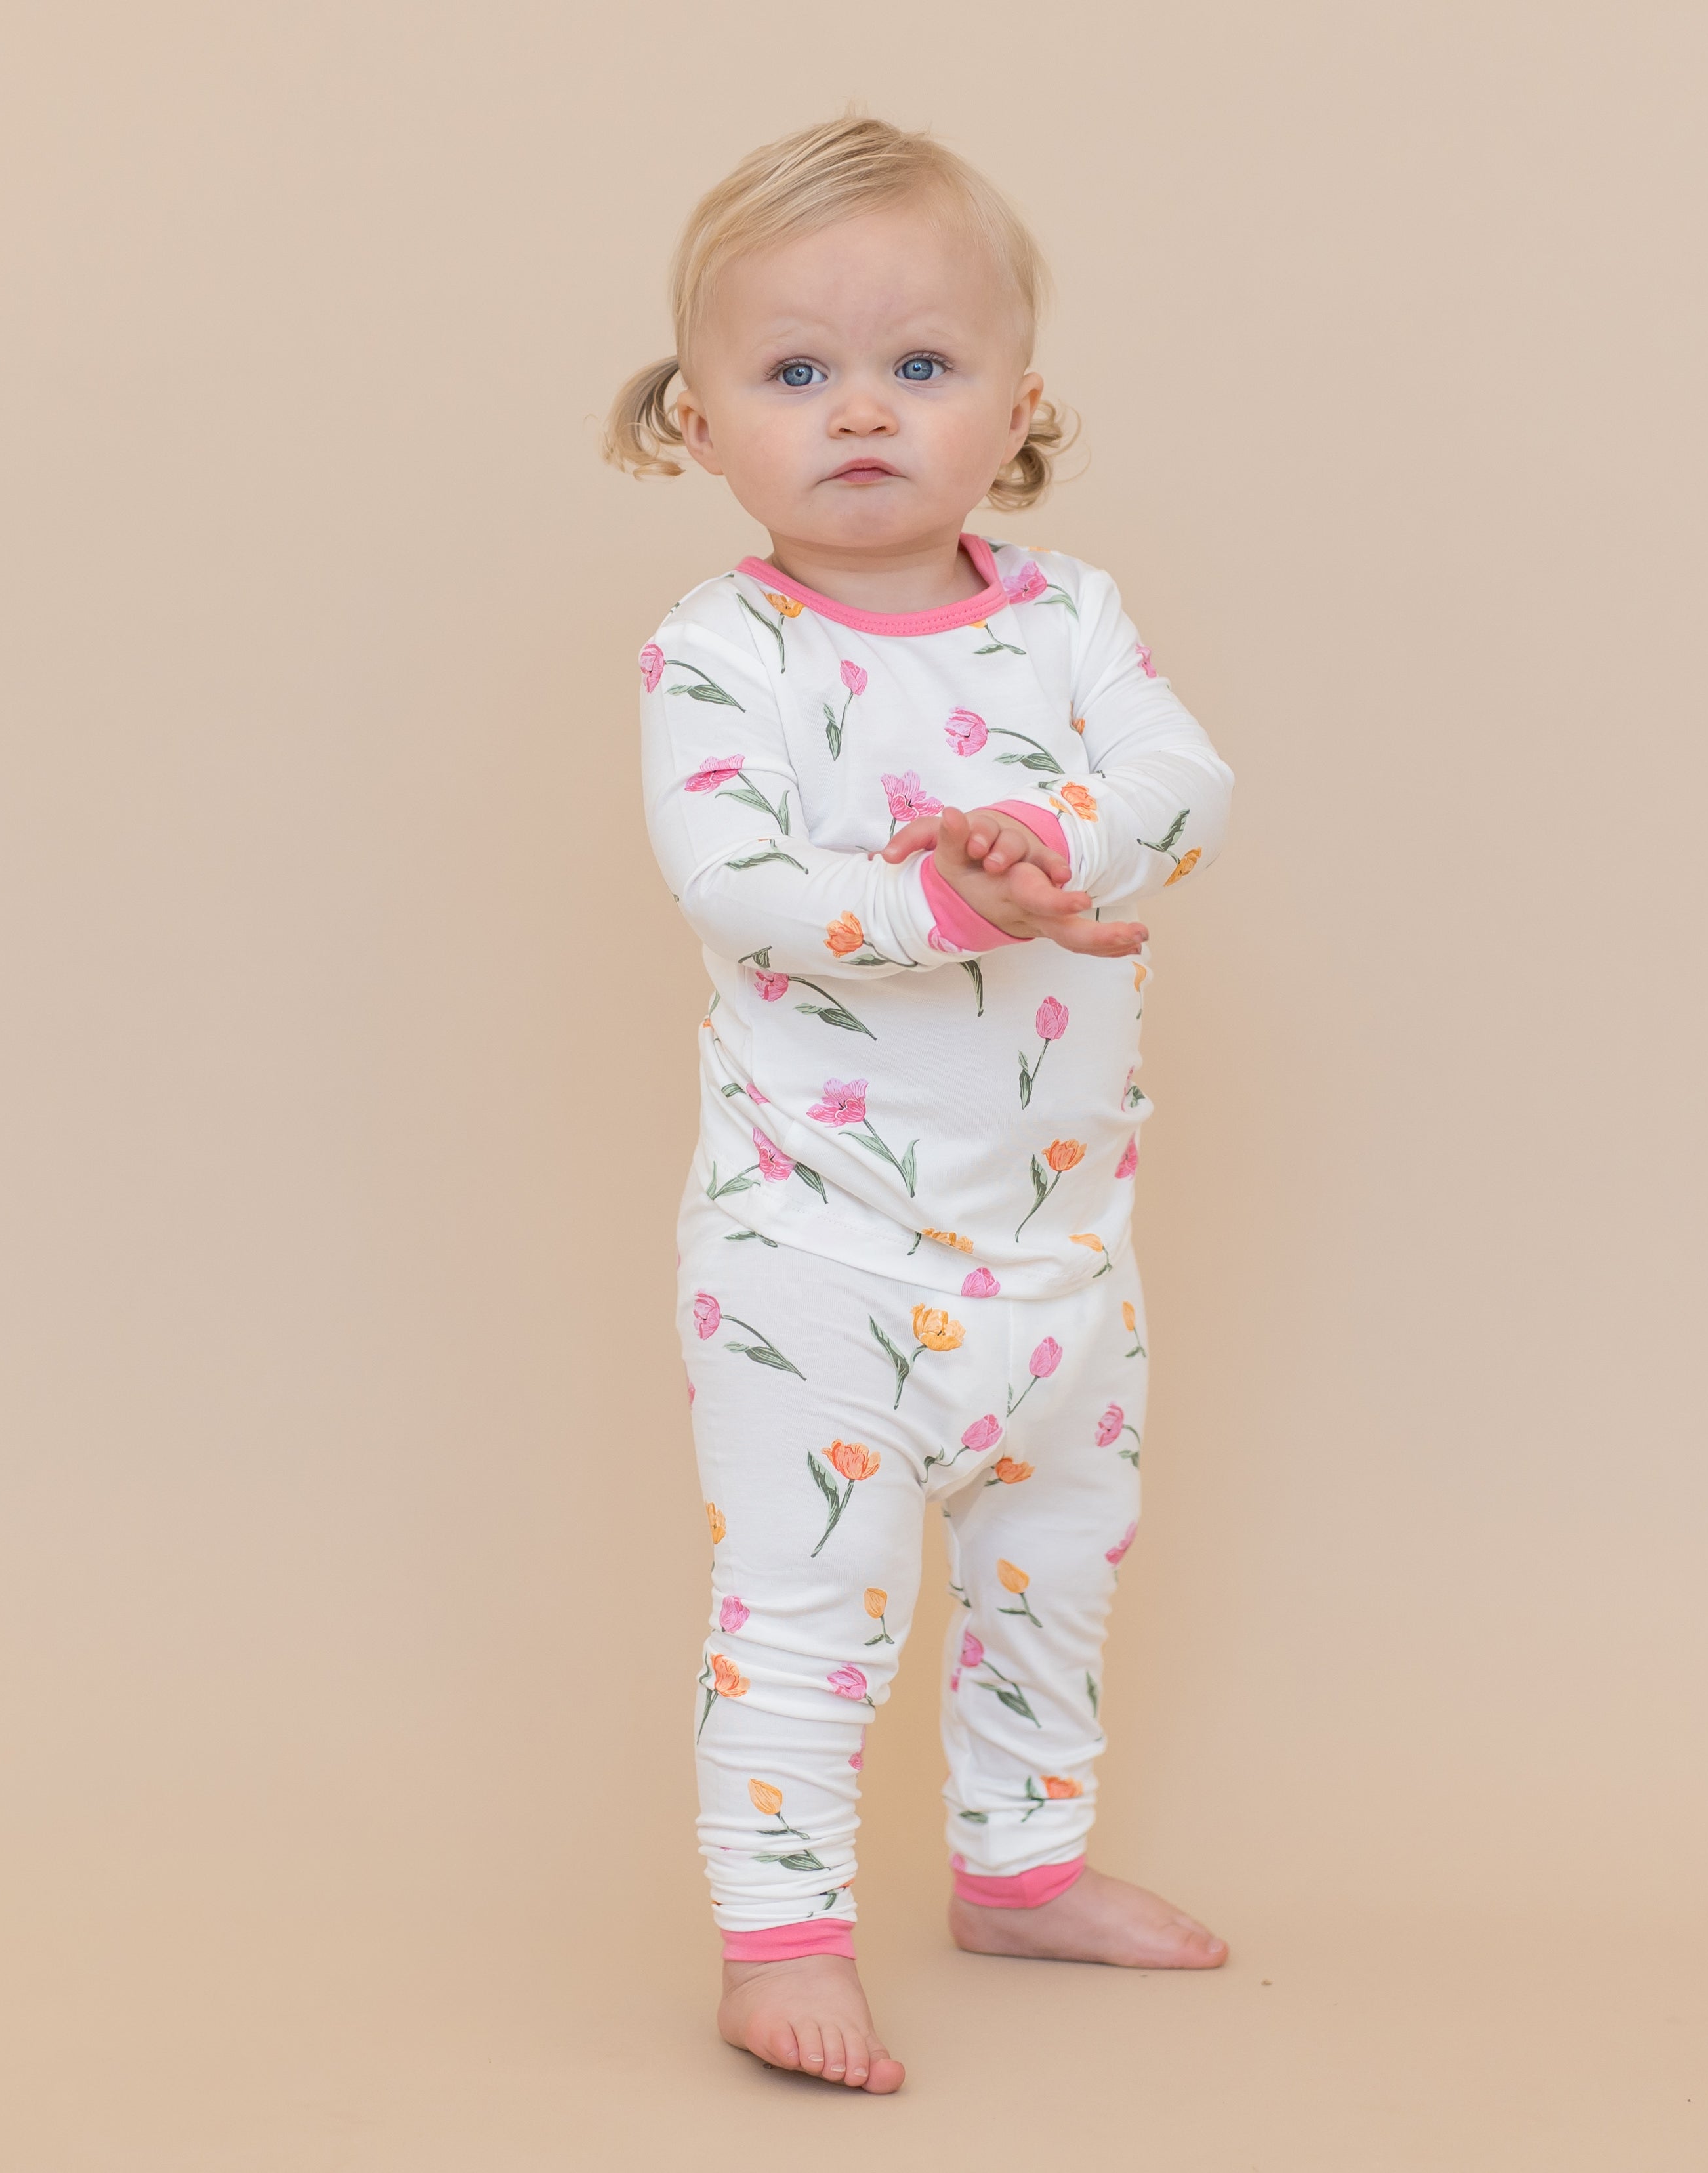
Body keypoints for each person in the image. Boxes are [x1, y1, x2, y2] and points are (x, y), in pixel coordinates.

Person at [608, 114, 1234, 2095]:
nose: (862, 409)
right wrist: (950, 901)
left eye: (923, 364)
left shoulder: (1072, 621)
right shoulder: (726, 651)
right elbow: (735, 882)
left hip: (1062, 1260)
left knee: (1056, 1579)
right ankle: (782, 1936)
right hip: (819, 1254)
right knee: (811, 1606)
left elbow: (1183, 785)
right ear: (701, 421)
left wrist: (1059, 847)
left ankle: (1021, 1872)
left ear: (1019, 408)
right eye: (798, 370)